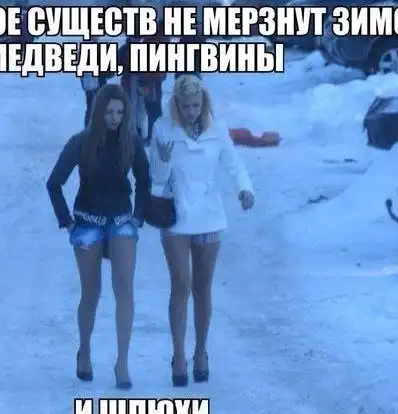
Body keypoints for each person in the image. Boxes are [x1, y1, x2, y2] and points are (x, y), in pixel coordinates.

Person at [148, 75, 255, 387]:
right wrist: (163, 161)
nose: (192, 111)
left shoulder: (216, 127)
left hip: (209, 214)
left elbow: (233, 163)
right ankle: (179, 355)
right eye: (186, 106)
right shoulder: (163, 127)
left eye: (196, 105)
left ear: (203, 103)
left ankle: (201, 352)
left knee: (202, 287)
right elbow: (156, 176)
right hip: (176, 214)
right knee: (180, 285)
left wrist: (244, 189)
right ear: (176, 105)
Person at [46, 84, 150, 390]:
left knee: (125, 288)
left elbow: (144, 179)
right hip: (87, 221)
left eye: (120, 112)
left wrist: (138, 215)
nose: (114, 118)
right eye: (109, 112)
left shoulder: (131, 142)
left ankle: (122, 363)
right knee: (91, 293)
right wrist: (67, 222)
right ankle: (85, 352)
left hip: (122, 220)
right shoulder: (81, 142)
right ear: (98, 111)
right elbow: (54, 183)